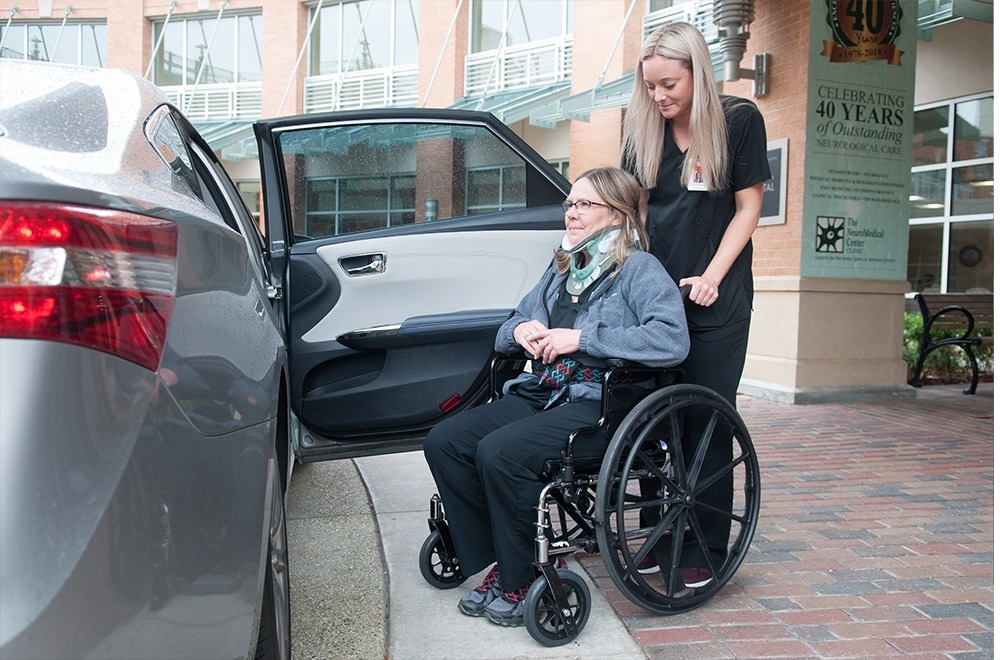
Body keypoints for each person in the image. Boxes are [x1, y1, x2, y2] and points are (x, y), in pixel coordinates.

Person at [423, 167, 689, 627]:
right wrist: (521, 330)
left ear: (617, 214)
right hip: (544, 392)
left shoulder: (639, 269)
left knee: (500, 452)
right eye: (570, 204)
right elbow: (507, 328)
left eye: (584, 204)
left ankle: (521, 575)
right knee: (444, 441)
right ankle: (500, 561)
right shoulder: (563, 268)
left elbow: (671, 341)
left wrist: (582, 338)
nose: (571, 213)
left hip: (598, 406)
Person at [620, 22, 770, 586]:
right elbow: (634, 216)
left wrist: (709, 276)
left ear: (697, 73)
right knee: (657, 426)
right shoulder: (640, 129)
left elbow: (748, 208)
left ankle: (701, 548)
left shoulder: (738, 120)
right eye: (650, 85)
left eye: (669, 84)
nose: (659, 96)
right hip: (658, 306)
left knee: (704, 422)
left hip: (717, 301)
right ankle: (658, 536)